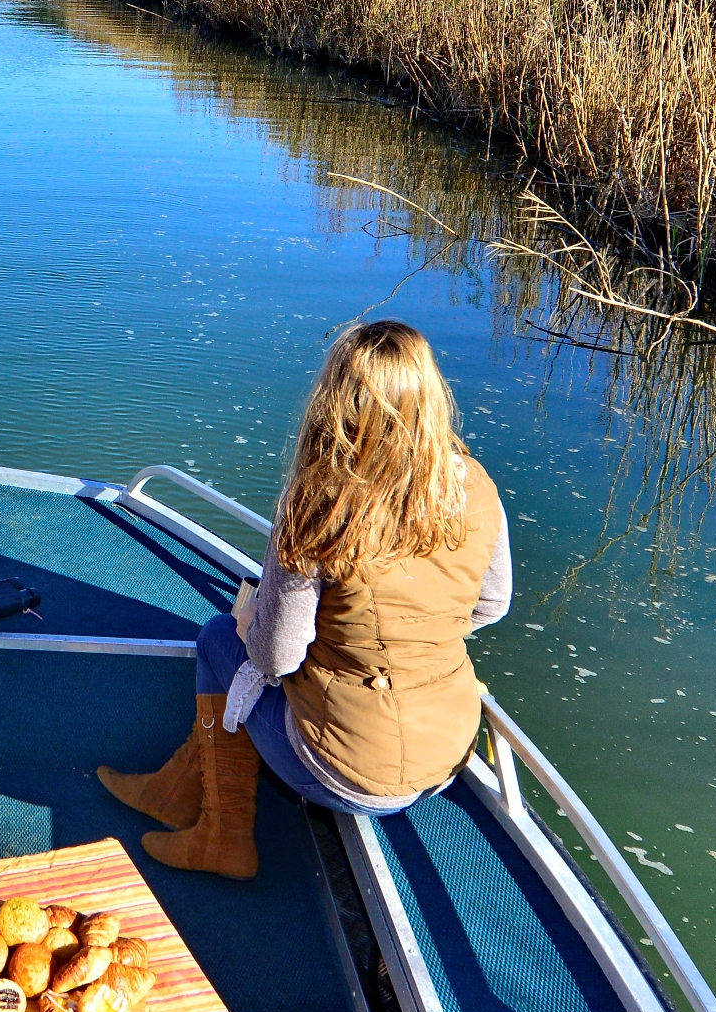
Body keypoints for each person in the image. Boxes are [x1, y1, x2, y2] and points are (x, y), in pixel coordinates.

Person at [100, 320, 510, 879]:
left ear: (335, 401)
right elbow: (492, 605)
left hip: (349, 773)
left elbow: (276, 659)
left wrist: (259, 626)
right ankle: (172, 792)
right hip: (447, 754)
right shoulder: (474, 484)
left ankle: (223, 838)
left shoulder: (318, 503)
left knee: (220, 640)